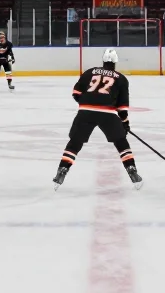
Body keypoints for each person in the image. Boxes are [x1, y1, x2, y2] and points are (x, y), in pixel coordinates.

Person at [52, 48, 142, 190]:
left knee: (75, 142)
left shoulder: (89, 72)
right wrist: (124, 123)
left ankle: (62, 169)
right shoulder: (122, 79)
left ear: (103, 60)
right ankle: (131, 169)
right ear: (115, 62)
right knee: (121, 142)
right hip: (107, 113)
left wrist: (88, 102)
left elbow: (76, 93)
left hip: (85, 111)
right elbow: (122, 107)